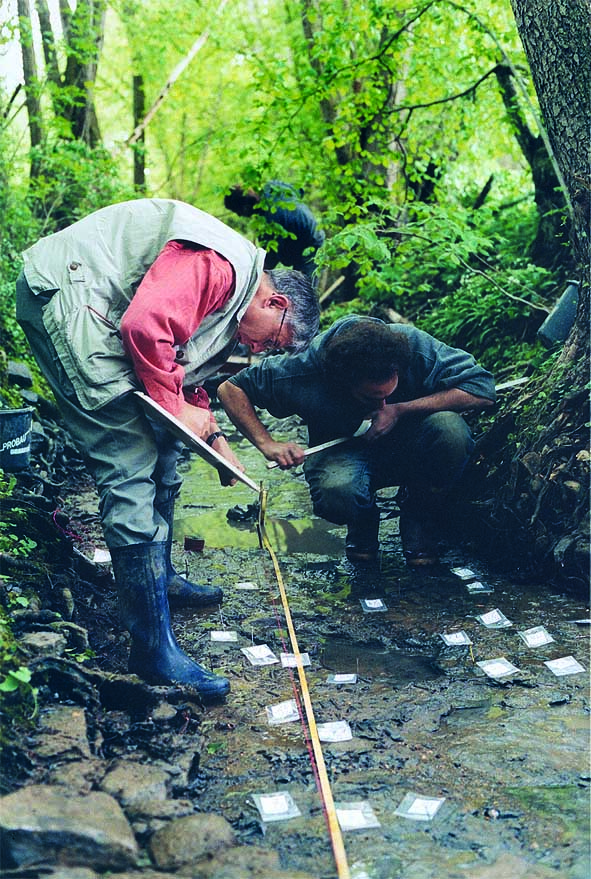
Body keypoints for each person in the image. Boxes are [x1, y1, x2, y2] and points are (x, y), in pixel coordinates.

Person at [16, 197, 320, 699]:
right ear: (276, 304)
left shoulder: (236, 300)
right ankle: (154, 651)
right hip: (69, 302)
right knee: (129, 459)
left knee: (165, 446)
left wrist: (216, 442)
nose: (264, 353)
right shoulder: (219, 266)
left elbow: (184, 368)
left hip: (102, 309)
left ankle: (162, 580)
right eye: (276, 343)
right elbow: (146, 328)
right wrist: (177, 412)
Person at [217, 315, 496, 566]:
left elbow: (482, 389)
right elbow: (231, 388)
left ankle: (419, 511)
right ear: (343, 381)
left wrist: (399, 410)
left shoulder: (412, 346)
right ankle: (362, 519)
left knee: (451, 432)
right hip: (342, 448)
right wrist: (267, 444)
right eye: (372, 398)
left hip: (413, 441)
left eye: (389, 393)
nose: (382, 402)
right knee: (338, 492)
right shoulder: (302, 368)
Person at [224, 180, 325, 279]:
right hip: (309, 233)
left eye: (237, 211)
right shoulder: (272, 186)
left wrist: (253, 277)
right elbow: (299, 190)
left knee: (304, 287)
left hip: (312, 246)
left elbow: (270, 260)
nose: (239, 215)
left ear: (245, 206)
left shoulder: (269, 223)